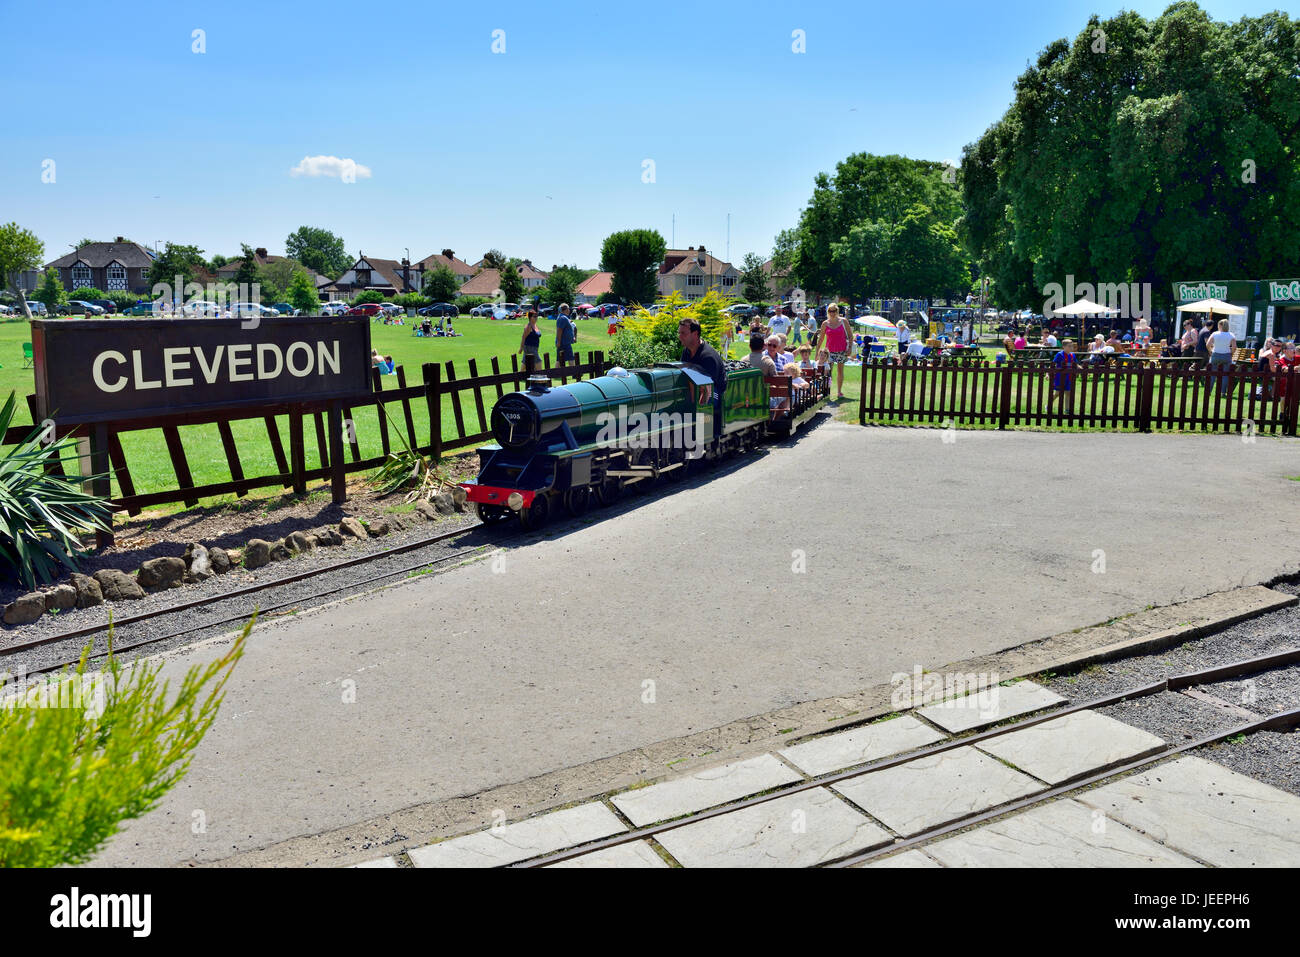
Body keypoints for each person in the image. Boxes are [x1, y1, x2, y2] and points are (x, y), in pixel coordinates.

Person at [678, 317, 726, 441]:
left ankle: (701, 433)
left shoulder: (708, 356)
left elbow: (707, 388)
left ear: (695, 334)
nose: (680, 336)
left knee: (702, 395)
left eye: (683, 333)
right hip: (696, 389)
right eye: (679, 333)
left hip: (716, 392)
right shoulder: (686, 352)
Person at [816, 302, 851, 400]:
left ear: (837, 311)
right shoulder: (825, 323)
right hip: (829, 351)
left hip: (841, 350)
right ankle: (826, 391)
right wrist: (817, 352)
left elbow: (850, 335)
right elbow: (821, 339)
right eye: (830, 311)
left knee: (840, 371)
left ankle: (839, 391)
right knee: (827, 372)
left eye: (834, 311)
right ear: (828, 312)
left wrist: (850, 347)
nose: (832, 313)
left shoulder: (843, 321)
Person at [1207, 318, 1235, 396]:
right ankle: (1223, 392)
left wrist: (1211, 351)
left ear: (1220, 325)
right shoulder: (1231, 335)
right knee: (1225, 375)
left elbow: (1208, 344)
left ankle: (1209, 391)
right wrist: (1231, 353)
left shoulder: (1215, 334)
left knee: (1212, 374)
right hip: (1226, 355)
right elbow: (1234, 347)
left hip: (1215, 354)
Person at [1048, 339, 1079, 412]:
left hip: (1069, 377)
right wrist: (1048, 374)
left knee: (1068, 393)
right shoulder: (1059, 354)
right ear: (1064, 347)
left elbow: (1076, 364)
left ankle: (1067, 409)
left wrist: (1083, 370)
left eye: (1072, 346)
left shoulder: (1072, 355)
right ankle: (1048, 405)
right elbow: (1053, 364)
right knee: (1057, 393)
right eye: (1069, 346)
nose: (1071, 348)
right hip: (1059, 377)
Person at [555, 303, 577, 375]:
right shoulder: (563, 318)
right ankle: (574, 373)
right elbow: (559, 330)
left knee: (559, 359)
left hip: (564, 342)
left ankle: (555, 373)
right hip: (564, 342)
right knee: (570, 357)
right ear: (566, 309)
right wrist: (558, 342)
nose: (569, 310)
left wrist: (572, 337)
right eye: (568, 309)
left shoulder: (564, 317)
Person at [519, 308, 542, 376]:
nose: (536, 318)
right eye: (534, 316)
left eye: (537, 316)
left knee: (525, 363)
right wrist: (521, 348)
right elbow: (523, 337)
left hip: (534, 348)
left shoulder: (535, 325)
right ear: (530, 317)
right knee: (538, 361)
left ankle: (520, 376)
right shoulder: (528, 327)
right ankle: (540, 376)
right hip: (529, 347)